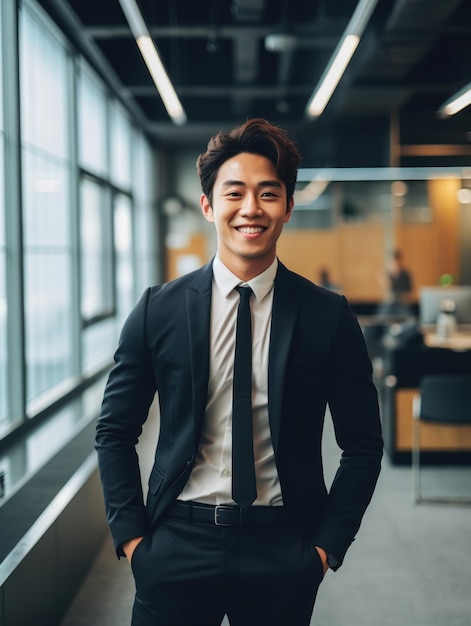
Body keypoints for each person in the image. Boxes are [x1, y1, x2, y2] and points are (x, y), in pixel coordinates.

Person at [95, 118, 383, 626]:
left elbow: (362, 443)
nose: (251, 208)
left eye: (268, 193)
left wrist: (324, 548)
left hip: (283, 546)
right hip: (177, 542)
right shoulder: (157, 310)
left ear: (288, 206)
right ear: (208, 205)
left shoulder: (327, 315)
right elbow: (115, 431)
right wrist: (134, 540)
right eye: (235, 193)